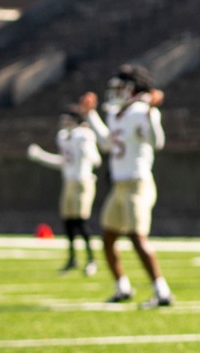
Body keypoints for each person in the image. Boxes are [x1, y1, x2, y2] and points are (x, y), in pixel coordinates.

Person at [81, 66, 173, 307]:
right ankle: (122, 286)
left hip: (137, 183)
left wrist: (152, 113)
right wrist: (91, 115)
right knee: (108, 237)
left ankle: (162, 291)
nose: (117, 93)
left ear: (134, 90)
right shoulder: (115, 114)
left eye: (122, 88)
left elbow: (157, 142)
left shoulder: (142, 111)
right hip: (119, 185)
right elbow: (106, 144)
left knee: (137, 238)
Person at [25, 103, 100, 275]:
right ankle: (73, 259)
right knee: (68, 223)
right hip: (69, 182)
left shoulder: (84, 136)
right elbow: (64, 163)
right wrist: (40, 156)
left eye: (67, 119)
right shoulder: (64, 136)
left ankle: (91, 260)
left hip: (83, 182)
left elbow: (96, 160)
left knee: (81, 222)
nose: (64, 122)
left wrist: (86, 149)